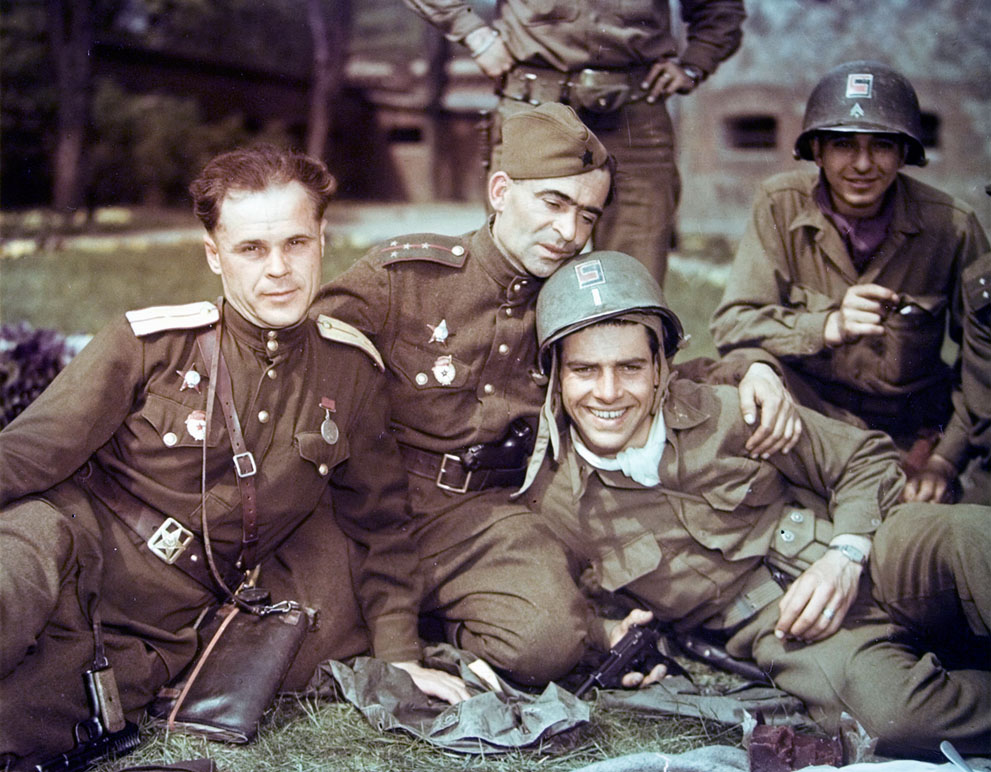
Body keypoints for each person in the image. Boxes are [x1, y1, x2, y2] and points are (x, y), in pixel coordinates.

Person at [0, 145, 466, 769]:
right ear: (214, 255)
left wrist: (400, 653)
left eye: (296, 243)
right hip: (63, 551)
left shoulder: (349, 372)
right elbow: (25, 456)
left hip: (156, 634)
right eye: (252, 249)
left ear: (323, 241)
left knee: (17, 726)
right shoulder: (150, 346)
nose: (279, 269)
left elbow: (381, 524)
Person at [314, 103, 799, 687]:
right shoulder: (404, 279)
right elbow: (302, 352)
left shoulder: (576, 303)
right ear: (500, 190)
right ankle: (406, 626)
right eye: (553, 203)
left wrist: (752, 367)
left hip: (479, 516)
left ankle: (442, 632)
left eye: (587, 215)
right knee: (305, 637)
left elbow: (650, 371)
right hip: (364, 506)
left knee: (548, 643)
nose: (569, 233)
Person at [518, 249, 990, 756]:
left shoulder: (729, 409)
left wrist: (846, 553)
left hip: (871, 547)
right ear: (556, 377)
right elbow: (547, 604)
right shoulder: (557, 501)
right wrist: (602, 631)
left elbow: (865, 458)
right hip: (792, 631)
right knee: (896, 718)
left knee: (974, 536)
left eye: (630, 366)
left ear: (660, 368)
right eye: (585, 370)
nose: (608, 392)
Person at [710, 60, 991, 502]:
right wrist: (825, 327)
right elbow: (733, 324)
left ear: (904, 154)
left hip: (907, 425)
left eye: (881, 146)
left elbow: (982, 365)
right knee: (734, 374)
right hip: (811, 412)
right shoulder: (779, 204)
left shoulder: (953, 226)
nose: (863, 164)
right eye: (843, 145)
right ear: (816, 150)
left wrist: (944, 459)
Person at [402, 0, 746, 285]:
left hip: (634, 116)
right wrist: (475, 34)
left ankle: (621, 365)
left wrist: (693, 64)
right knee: (517, 269)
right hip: (535, 101)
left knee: (633, 277)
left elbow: (721, 9)